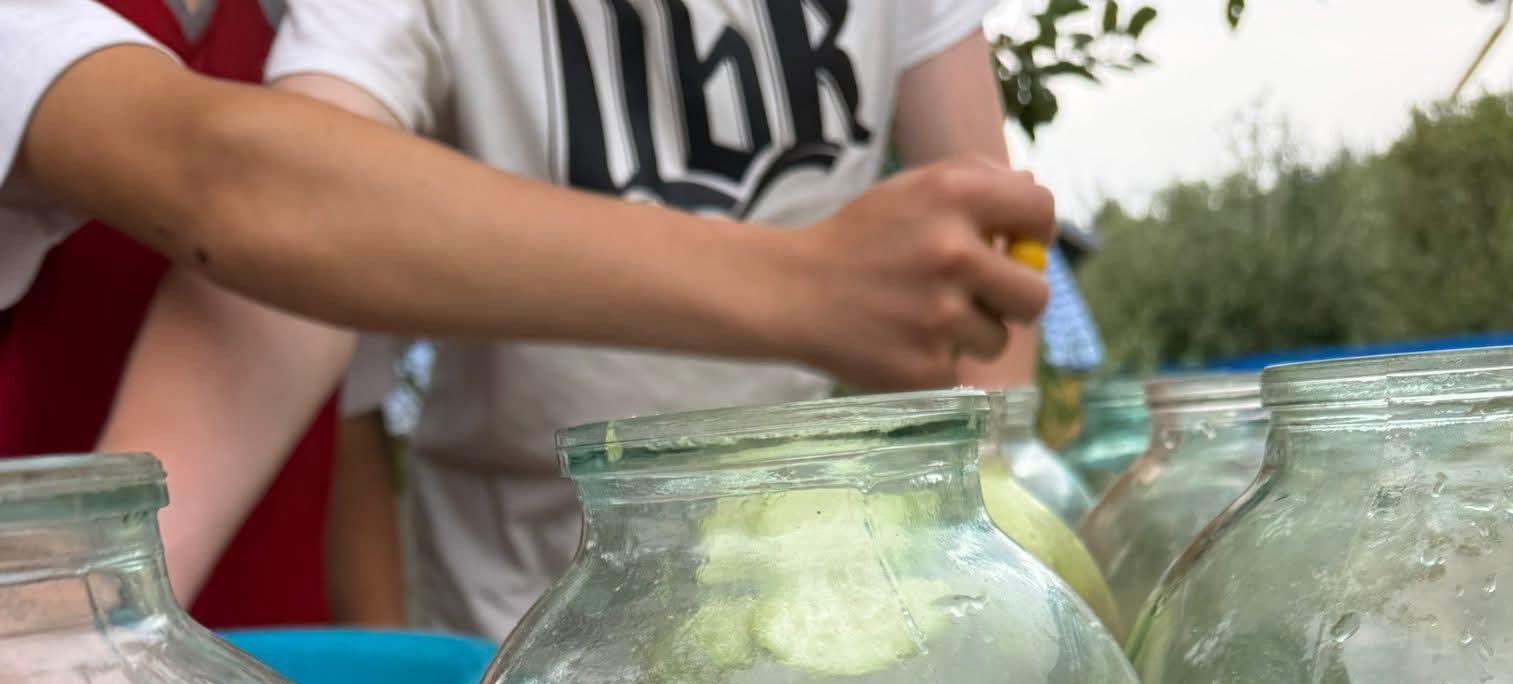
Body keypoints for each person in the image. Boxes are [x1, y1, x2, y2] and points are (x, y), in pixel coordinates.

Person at [1, 0, 1051, 629]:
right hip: (529, 622)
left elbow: (990, 267)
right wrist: (102, 606)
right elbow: (288, 220)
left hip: (815, 597)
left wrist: (1005, 554)